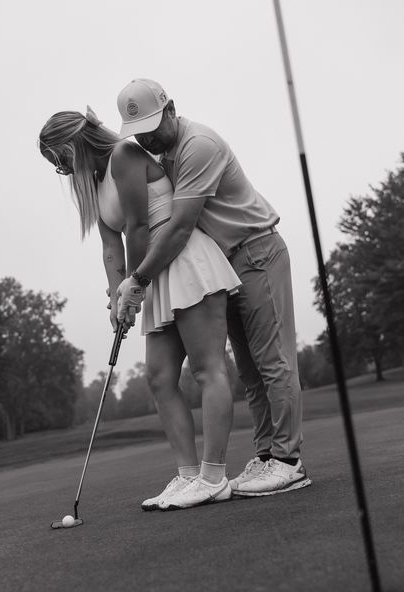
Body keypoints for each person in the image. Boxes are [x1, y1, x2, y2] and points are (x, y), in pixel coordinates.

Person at [116, 78, 312, 497]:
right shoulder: (163, 152)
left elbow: (181, 226)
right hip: (228, 263)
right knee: (250, 371)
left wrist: (137, 280)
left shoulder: (197, 144)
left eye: (153, 124)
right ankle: (266, 457)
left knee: (274, 362)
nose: (147, 136)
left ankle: (289, 461)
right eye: (139, 132)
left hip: (255, 249)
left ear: (171, 110)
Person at [38, 106, 241, 510]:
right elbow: (110, 246)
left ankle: (214, 477)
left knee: (206, 369)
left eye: (60, 160)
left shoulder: (123, 155)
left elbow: (138, 227)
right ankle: (187, 478)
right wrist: (117, 297)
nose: (62, 171)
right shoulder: (97, 183)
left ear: (73, 144)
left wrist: (134, 284)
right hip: (149, 275)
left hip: (181, 261)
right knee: (159, 378)